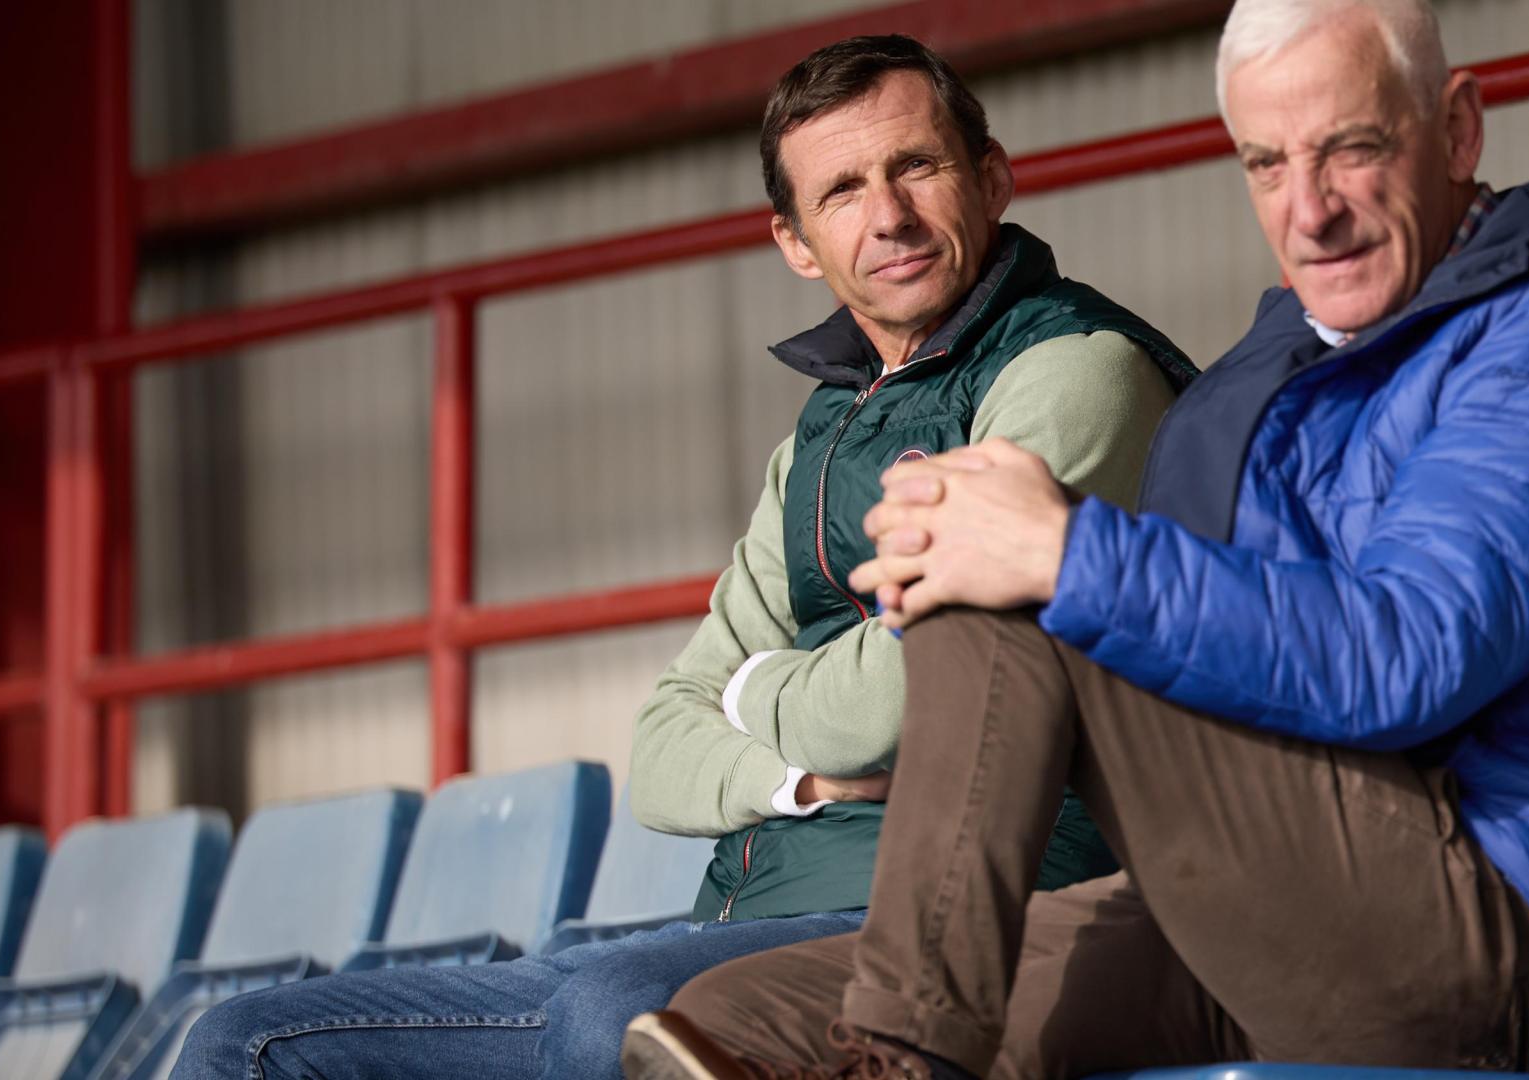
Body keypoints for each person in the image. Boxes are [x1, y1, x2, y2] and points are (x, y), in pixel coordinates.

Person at [623, 1, 1529, 1077]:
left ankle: (906, 1062)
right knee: (731, 1022)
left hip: (1487, 939)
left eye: (1349, 149)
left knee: (1008, 591)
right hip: (1283, 894)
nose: (1310, 211)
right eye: (1268, 164)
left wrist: (1062, 552)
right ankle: (897, 1053)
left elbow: (1407, 659)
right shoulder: (1287, 365)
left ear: (1454, 130)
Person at [170, 35, 1194, 1080]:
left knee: (614, 1016)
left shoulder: (1072, 373)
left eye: (916, 168)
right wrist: (801, 780)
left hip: (970, 930)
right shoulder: (817, 441)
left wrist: (749, 688)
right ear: (797, 243)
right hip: (740, 918)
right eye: (841, 190)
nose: (886, 215)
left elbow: (908, 699)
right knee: (246, 1045)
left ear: (992, 178)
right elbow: (661, 746)